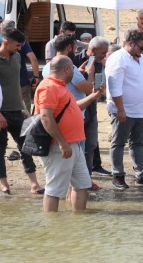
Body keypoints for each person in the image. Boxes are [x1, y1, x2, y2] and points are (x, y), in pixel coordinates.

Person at [36, 56, 102, 212]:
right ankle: (52, 228)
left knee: (82, 185)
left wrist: (94, 96)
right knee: (54, 190)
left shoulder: (60, 86)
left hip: (74, 144)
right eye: (73, 69)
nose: (76, 72)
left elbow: (74, 108)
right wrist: (62, 143)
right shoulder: (49, 87)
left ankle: (78, 223)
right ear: (66, 69)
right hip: (60, 146)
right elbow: (45, 116)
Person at [105, 29, 143, 189]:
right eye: (141, 48)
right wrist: (120, 109)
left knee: (138, 142)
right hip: (124, 109)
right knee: (119, 142)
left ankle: (141, 174)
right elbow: (114, 87)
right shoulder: (118, 59)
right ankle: (118, 175)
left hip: (141, 109)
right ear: (130, 44)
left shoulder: (141, 58)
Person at [0, 28, 44, 195]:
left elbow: (15, 84)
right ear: (6, 42)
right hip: (0, 113)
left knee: (25, 147)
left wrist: (24, 107)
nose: (19, 49)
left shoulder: (17, 57)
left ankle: (34, 184)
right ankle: (4, 185)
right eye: (17, 45)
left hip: (17, 110)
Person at [73, 36, 111, 179]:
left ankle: (87, 176)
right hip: (78, 107)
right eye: (103, 53)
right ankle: (79, 177)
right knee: (79, 144)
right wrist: (86, 74)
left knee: (91, 143)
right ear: (93, 50)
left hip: (92, 106)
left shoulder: (99, 62)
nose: (104, 56)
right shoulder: (74, 60)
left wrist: (100, 89)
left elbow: (96, 86)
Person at [0, 20, 40, 114]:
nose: (19, 48)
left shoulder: (10, 48)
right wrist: (36, 77)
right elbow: (33, 59)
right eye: (18, 46)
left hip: (10, 89)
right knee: (25, 116)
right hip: (20, 86)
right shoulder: (21, 42)